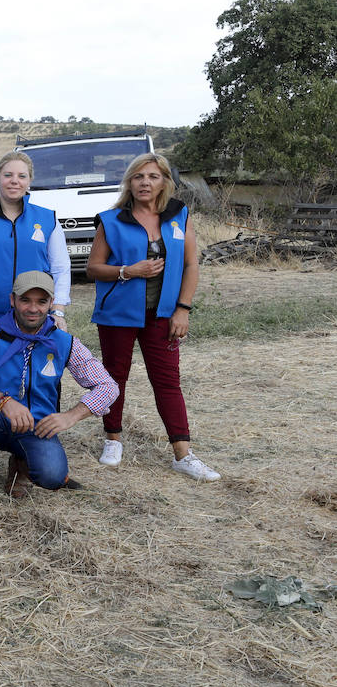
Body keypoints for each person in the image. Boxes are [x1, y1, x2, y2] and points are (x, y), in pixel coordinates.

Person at [85, 152, 219, 481]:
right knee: (114, 377)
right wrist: (128, 271)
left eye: (153, 176)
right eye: (139, 176)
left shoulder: (178, 215)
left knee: (168, 383)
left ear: (164, 182)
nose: (145, 182)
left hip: (163, 315)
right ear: (129, 182)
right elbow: (93, 268)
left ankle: (183, 455)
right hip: (117, 314)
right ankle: (112, 439)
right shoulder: (111, 219)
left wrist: (182, 309)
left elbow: (190, 265)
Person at [0, 271, 119, 518]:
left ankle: (21, 464)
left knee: (53, 477)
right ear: (12, 300)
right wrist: (3, 400)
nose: (33, 308)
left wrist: (71, 416)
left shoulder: (64, 342)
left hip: (36, 427)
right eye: (25, 300)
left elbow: (108, 386)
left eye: (41, 302)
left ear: (51, 303)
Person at [0, 150, 71, 331]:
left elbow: (61, 268)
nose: (14, 181)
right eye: (8, 175)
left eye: (22, 176)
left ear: (29, 181)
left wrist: (58, 310)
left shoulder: (48, 219)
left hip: (35, 316)